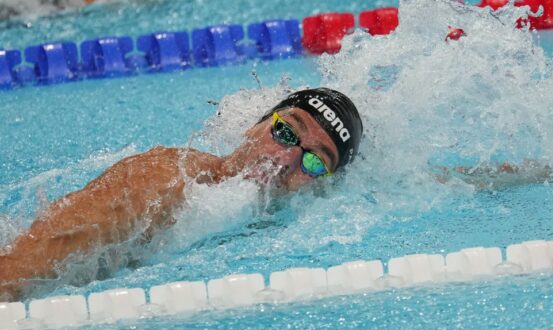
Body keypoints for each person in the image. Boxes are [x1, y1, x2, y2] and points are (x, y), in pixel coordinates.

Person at [0, 87, 363, 302]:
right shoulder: (167, 180)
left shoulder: (281, 232)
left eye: (315, 163)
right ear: (255, 126)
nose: (286, 160)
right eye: (284, 133)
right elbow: (21, 267)